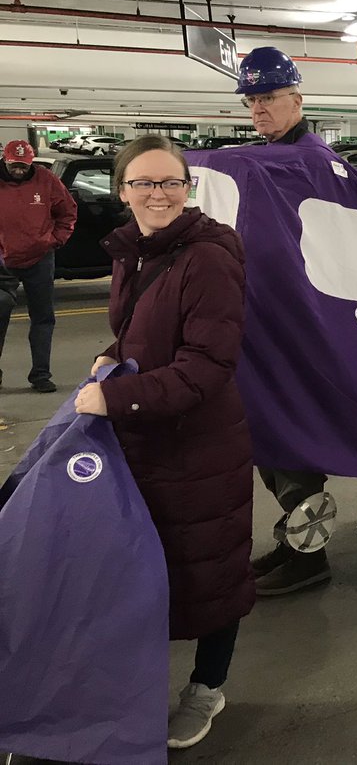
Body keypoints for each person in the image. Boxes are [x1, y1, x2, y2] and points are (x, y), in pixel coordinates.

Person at [76, 135, 254, 750]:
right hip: (145, 437)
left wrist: (118, 397)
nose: (158, 194)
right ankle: (140, 686)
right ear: (123, 192)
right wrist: (109, 358)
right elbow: (135, 335)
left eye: (170, 182)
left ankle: (207, 687)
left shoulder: (207, 255)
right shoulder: (137, 251)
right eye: (143, 184)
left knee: (209, 568)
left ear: (187, 187)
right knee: (146, 569)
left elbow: (208, 364)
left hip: (198, 443)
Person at [235, 46, 336, 594]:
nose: (258, 108)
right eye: (252, 100)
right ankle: (293, 539)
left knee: (294, 436)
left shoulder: (311, 162)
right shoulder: (267, 155)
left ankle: (309, 555)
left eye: (268, 97)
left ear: (297, 99)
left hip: (299, 318)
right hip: (266, 315)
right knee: (270, 434)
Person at [0, 139, 77, 393]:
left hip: (40, 260)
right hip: (3, 262)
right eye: (14, 166)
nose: (19, 170)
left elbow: (67, 212)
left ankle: (41, 375)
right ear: (5, 160)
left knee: (43, 319)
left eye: (24, 166)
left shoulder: (46, 180)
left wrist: (55, 241)